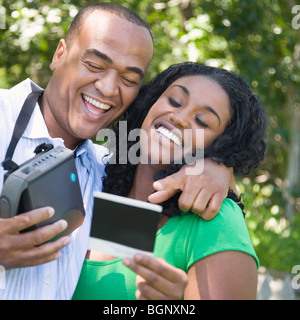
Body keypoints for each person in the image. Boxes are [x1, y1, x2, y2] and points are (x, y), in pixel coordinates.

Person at [0, 4, 233, 300]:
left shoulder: (110, 178)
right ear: (60, 55)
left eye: (129, 79)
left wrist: (219, 166)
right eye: (95, 65)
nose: (109, 88)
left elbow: (113, 288)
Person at [72, 62, 266, 300]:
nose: (180, 117)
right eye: (174, 101)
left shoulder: (215, 220)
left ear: (222, 146)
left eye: (202, 121)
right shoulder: (99, 178)